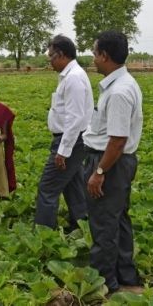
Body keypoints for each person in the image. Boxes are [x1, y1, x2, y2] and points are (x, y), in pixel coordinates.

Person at [83, 30, 144, 294]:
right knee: (118, 219)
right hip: (117, 161)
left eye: (95, 53)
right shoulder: (122, 83)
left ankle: (104, 285)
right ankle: (126, 276)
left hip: (111, 162)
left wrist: (99, 171)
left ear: (105, 56)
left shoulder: (119, 91)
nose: (93, 58)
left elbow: (117, 140)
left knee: (104, 223)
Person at [34, 35, 93, 231]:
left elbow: (75, 118)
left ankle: (44, 234)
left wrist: (63, 151)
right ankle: (81, 223)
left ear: (61, 55)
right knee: (72, 184)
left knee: (47, 188)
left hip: (71, 141)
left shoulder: (74, 78)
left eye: (51, 56)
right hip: (73, 140)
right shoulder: (72, 75)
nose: (49, 61)